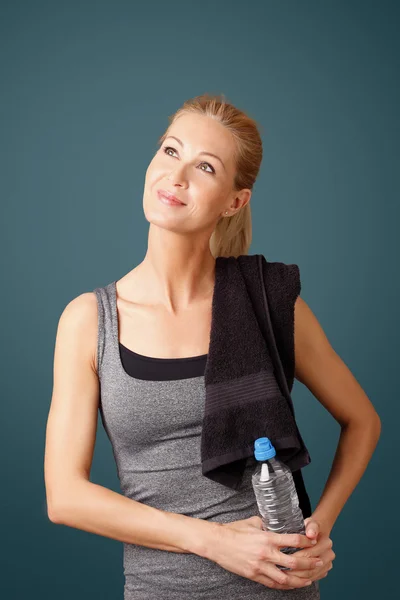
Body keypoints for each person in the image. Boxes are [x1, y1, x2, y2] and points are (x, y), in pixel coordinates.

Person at [44, 93, 381, 599]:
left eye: (205, 166)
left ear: (234, 201)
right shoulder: (89, 321)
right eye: (170, 151)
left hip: (280, 589)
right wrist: (214, 542)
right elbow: (65, 497)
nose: (176, 177)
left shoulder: (267, 301)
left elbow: (363, 420)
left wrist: (319, 528)